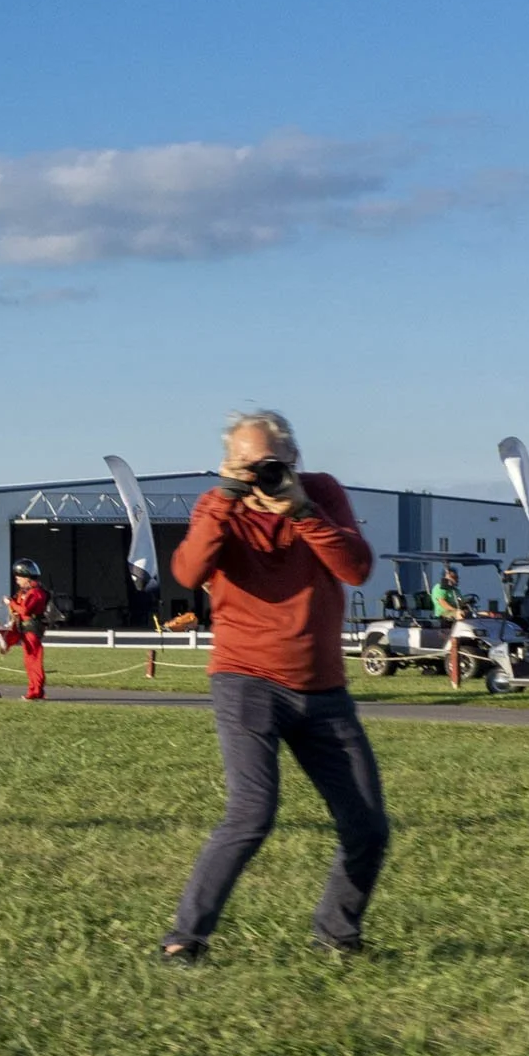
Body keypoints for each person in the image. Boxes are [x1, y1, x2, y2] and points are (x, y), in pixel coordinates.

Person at [160, 410, 385, 967]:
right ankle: (185, 939)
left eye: (271, 465)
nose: (260, 475)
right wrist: (224, 496)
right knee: (252, 812)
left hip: (323, 689)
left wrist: (303, 511)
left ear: (294, 460)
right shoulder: (219, 506)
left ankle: (338, 934)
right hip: (246, 680)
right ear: (228, 464)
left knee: (367, 826)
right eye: (246, 464)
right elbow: (188, 573)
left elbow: (356, 569)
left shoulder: (322, 493)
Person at [0, 559, 51, 700]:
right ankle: (34, 689)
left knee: (34, 660)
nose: (17, 581)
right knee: (29, 661)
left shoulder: (36, 593)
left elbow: (25, 610)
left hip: (32, 629)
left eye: (19, 578)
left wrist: (11, 603)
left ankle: (36, 691)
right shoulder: (24, 592)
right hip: (23, 629)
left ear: (27, 578)